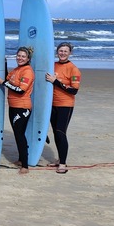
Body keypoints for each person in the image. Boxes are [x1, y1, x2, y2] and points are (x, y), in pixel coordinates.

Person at [45, 42, 81, 174]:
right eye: (61, 51)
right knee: (55, 132)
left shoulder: (73, 69)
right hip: (51, 104)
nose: (63, 53)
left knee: (61, 132)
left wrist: (56, 82)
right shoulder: (52, 65)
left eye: (66, 51)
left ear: (70, 53)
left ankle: (63, 164)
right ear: (57, 52)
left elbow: (74, 90)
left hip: (65, 105)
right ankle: (60, 159)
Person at [1, 46, 35, 175]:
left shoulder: (27, 71)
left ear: (28, 58)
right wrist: (4, 63)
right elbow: (6, 78)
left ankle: (25, 166)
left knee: (20, 135)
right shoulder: (16, 70)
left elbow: (21, 90)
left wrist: (4, 83)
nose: (20, 58)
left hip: (22, 107)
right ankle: (21, 159)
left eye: (23, 56)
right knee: (17, 134)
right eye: (18, 55)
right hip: (13, 106)